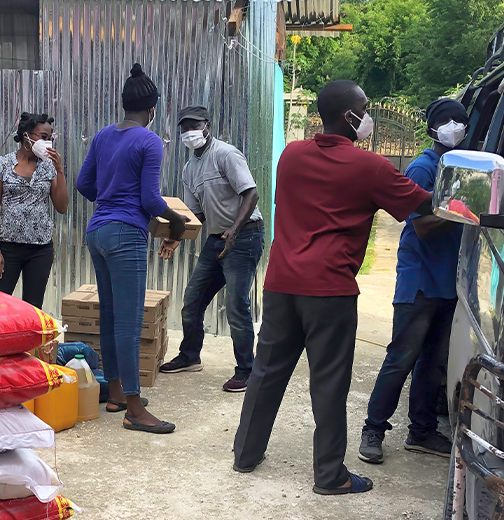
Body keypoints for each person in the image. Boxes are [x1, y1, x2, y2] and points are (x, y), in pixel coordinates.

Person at [231, 80, 441, 496]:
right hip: (329, 291)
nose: (368, 117)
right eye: (364, 109)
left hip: (282, 284)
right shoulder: (371, 168)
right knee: (328, 384)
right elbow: (425, 211)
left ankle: (245, 454)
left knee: (267, 373)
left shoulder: (290, 155)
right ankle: (330, 476)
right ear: (350, 117)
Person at [76, 63, 188, 435]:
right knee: (127, 321)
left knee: (110, 316)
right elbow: (150, 199)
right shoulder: (149, 140)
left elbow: (83, 183)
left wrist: (108, 199)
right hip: (126, 235)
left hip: (97, 231)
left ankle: (117, 394)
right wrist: (177, 222)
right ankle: (135, 410)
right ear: (153, 109)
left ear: (124, 104)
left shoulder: (104, 136)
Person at [358, 98, 468, 465]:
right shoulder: (424, 168)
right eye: (448, 121)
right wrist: (462, 212)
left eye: (461, 121)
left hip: (448, 283)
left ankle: (420, 432)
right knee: (402, 357)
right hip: (419, 280)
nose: (456, 126)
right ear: (434, 128)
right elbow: (420, 225)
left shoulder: (460, 168)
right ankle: (373, 428)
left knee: (432, 361)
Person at [157, 105, 264, 393]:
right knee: (192, 300)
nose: (189, 132)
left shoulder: (225, 154)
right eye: (184, 128)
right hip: (217, 239)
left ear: (207, 125)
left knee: (235, 306)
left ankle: (246, 370)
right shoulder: (190, 168)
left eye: (194, 125)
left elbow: (251, 194)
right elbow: (196, 214)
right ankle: (190, 356)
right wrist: (176, 238)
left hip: (245, 237)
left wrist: (235, 230)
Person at [0, 112, 68, 309]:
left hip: (40, 249)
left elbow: (62, 207)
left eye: (50, 138)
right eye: (43, 137)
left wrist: (60, 171)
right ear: (26, 136)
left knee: (32, 308)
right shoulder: (2, 164)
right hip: (9, 248)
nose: (47, 142)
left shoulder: (48, 167)